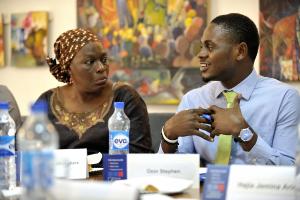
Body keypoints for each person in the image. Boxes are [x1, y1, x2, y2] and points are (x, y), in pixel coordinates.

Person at [159, 13, 300, 165]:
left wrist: (244, 132)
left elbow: (289, 172)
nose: (201, 55)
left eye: (210, 46)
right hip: (203, 188)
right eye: (201, 47)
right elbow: (172, 172)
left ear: (240, 52)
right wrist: (168, 136)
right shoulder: (192, 99)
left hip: (255, 188)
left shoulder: (284, 98)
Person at [36, 28, 153, 155]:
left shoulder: (125, 98)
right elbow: (28, 154)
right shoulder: (48, 101)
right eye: (89, 62)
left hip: (114, 174)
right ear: (69, 68)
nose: (101, 68)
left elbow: (141, 157)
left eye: (103, 60)